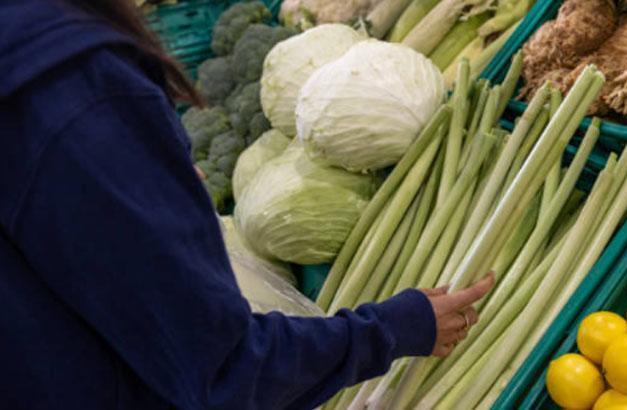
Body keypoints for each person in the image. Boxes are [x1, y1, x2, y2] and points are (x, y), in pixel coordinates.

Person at [0, 1, 494, 409]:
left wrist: (148, 180)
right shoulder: (79, 92)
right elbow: (224, 372)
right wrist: (392, 329)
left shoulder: (41, 66)